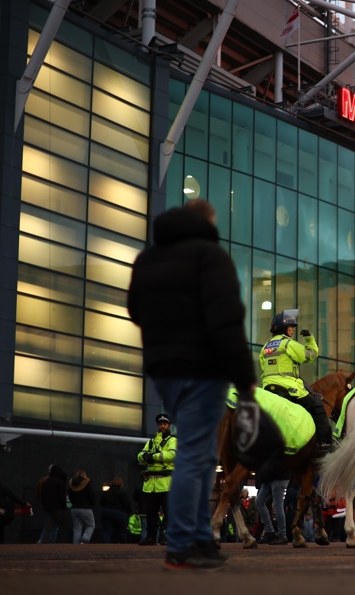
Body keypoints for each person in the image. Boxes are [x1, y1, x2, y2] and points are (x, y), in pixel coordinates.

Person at [128, 199, 257, 570]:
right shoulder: (209, 256)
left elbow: (135, 310)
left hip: (163, 367)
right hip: (203, 366)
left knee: (200, 455)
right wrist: (245, 378)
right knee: (197, 455)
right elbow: (226, 320)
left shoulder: (148, 259)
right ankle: (183, 544)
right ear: (207, 223)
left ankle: (200, 538)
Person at [260, 309, 331, 457]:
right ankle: (325, 442)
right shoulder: (288, 344)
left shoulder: (265, 346)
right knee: (317, 404)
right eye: (291, 326)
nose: (293, 329)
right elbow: (310, 356)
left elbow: (263, 365)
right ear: (283, 328)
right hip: (288, 387)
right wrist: (310, 339)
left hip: (267, 388)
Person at [136, 413, 176, 546]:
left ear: (169, 425)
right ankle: (151, 537)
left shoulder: (172, 440)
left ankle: (166, 536)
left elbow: (172, 455)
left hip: (166, 483)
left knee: (168, 512)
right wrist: (145, 456)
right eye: (160, 424)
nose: (162, 426)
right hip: (150, 483)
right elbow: (140, 456)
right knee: (151, 513)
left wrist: (152, 457)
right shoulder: (151, 441)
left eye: (164, 424)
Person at [255, 470, 289, 545]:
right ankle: (269, 531)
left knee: (278, 505)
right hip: (268, 477)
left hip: (278, 476)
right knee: (259, 502)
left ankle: (282, 535)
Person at [36, 464, 68, 543]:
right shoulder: (60, 482)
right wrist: (64, 507)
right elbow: (62, 497)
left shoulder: (45, 481)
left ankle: (44, 543)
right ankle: (60, 542)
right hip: (57, 508)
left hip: (47, 508)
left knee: (47, 527)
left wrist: (44, 505)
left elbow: (41, 495)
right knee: (61, 526)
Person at [100, 477, 132, 543]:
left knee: (106, 531)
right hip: (119, 513)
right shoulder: (122, 493)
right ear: (121, 484)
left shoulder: (106, 491)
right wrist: (129, 511)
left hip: (106, 511)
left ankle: (104, 547)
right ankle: (124, 546)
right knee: (121, 531)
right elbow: (127, 503)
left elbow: (101, 502)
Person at [68, 469, 96, 544]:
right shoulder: (87, 483)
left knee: (77, 528)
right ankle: (84, 540)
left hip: (74, 508)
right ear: (84, 476)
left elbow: (70, 496)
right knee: (91, 525)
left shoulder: (71, 483)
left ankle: (76, 545)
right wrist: (91, 503)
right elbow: (91, 496)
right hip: (85, 507)